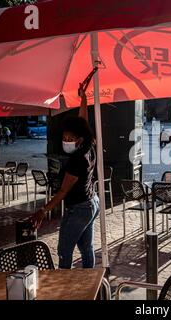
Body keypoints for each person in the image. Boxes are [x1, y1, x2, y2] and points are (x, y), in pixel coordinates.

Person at [31, 91, 100, 269]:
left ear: (79, 140)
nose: (66, 141)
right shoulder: (89, 146)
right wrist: (83, 99)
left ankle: (64, 287)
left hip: (79, 208)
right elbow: (82, 120)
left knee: (64, 250)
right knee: (86, 247)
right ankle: (89, 282)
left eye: (70, 139)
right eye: (64, 138)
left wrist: (43, 210)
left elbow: (63, 191)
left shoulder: (78, 160)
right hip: (91, 201)